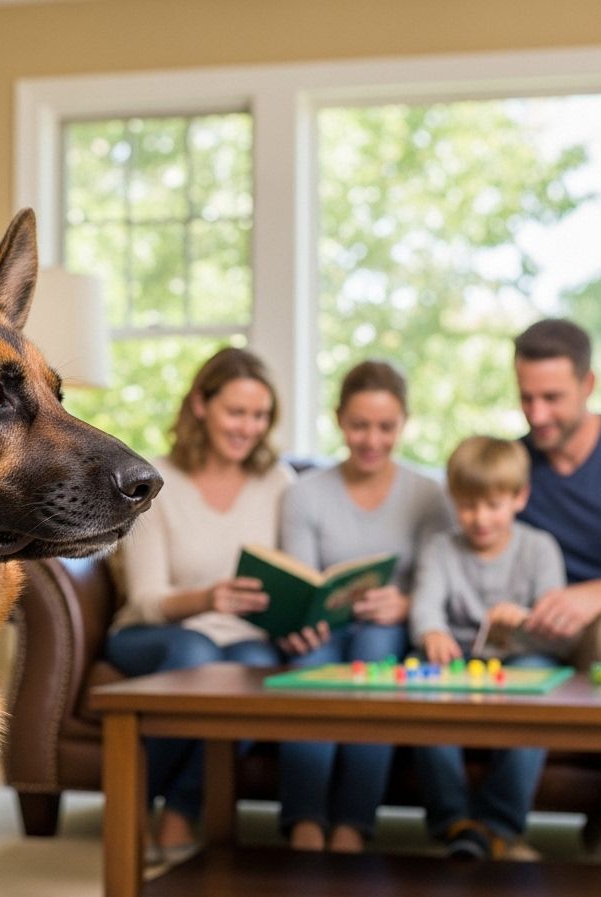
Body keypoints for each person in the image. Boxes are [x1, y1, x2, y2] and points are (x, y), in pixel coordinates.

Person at [107, 347, 294, 862]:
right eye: (237, 412)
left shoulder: (279, 482)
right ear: (200, 406)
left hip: (245, 639)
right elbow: (145, 601)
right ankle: (132, 808)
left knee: (260, 673)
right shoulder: (155, 480)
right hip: (158, 633)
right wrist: (209, 598)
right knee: (194, 655)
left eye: (260, 416)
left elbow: (295, 575)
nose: (248, 427)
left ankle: (180, 810)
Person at [277, 360, 451, 853]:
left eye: (385, 427)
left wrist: (408, 602)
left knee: (378, 658)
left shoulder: (429, 495)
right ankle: (305, 819)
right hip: (325, 632)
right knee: (308, 668)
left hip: (388, 628)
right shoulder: (305, 494)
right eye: (359, 425)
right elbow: (302, 582)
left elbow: (443, 578)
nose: (372, 439)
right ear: (338, 420)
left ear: (403, 424)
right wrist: (305, 619)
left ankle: (355, 822)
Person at [410, 436, 566, 860]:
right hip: (457, 661)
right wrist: (432, 633)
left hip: (520, 658)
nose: (480, 518)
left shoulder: (539, 548)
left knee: (538, 686)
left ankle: (497, 826)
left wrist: (525, 619)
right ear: (453, 500)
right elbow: (425, 607)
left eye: (493, 505)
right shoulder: (441, 547)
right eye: (467, 506)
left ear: (520, 498)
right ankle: (455, 822)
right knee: (423, 691)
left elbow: (555, 621)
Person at [511, 318, 601, 670]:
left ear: (587, 384)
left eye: (552, 398)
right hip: (534, 630)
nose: (537, 415)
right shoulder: (512, 466)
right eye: (526, 398)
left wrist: (596, 594)